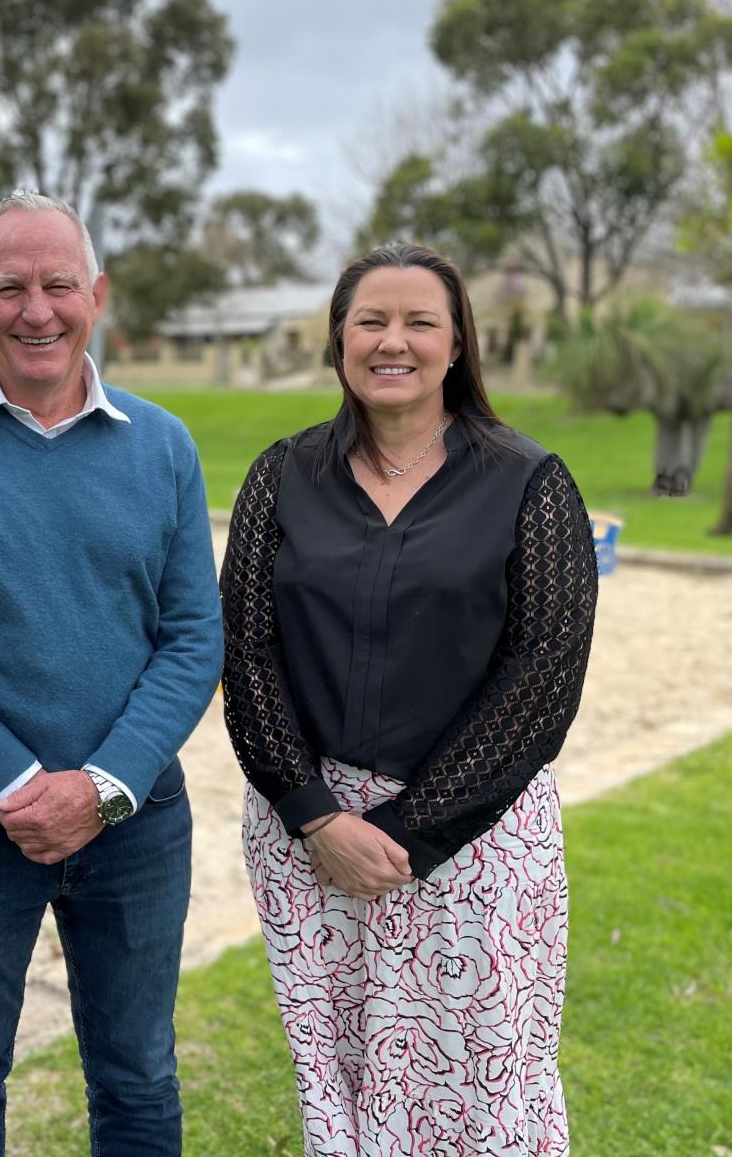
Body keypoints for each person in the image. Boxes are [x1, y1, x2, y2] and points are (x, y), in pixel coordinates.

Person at [0, 191, 223, 1157]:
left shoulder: (163, 445)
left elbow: (193, 636)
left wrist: (102, 787)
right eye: (10, 287)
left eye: (58, 284)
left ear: (95, 294)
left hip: (136, 820)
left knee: (139, 1073)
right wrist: (15, 785)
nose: (37, 310)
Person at [222, 242, 597, 1155]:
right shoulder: (282, 475)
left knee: (485, 1083)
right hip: (310, 837)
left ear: (459, 343)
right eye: (371, 321)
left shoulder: (529, 482)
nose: (395, 342)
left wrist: (409, 831)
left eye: (421, 322)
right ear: (338, 342)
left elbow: (542, 678)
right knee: (344, 1084)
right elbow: (248, 650)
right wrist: (315, 816)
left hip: (479, 838)